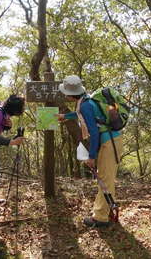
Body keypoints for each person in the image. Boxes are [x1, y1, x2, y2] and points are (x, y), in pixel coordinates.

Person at [57, 75, 123, 227]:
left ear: (70, 94)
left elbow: (93, 131)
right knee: (105, 178)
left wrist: (92, 156)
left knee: (105, 180)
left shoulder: (85, 104)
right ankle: (107, 211)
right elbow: (83, 115)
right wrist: (65, 116)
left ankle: (100, 218)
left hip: (109, 143)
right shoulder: (85, 101)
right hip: (110, 141)